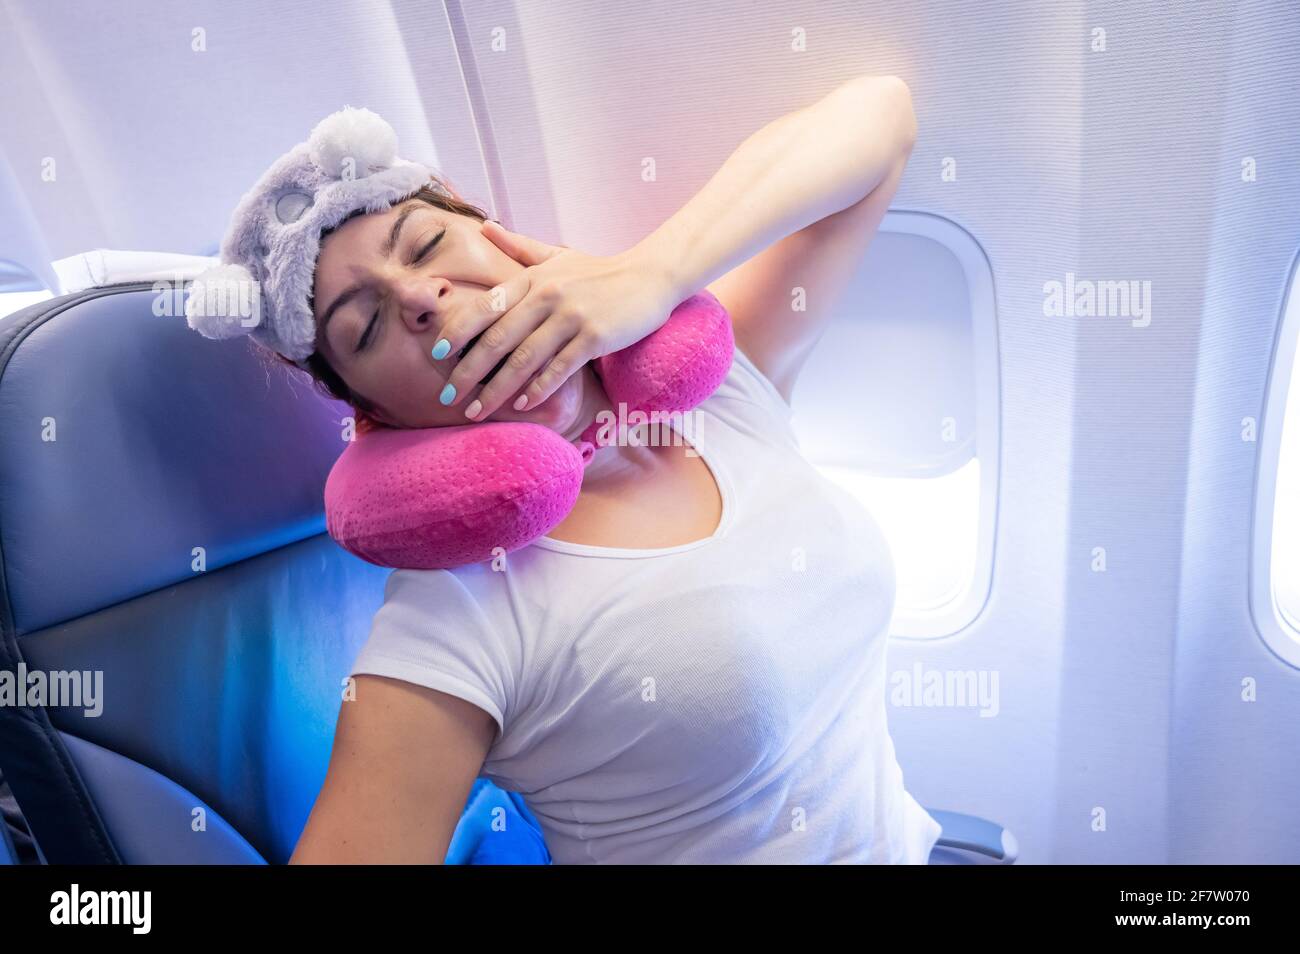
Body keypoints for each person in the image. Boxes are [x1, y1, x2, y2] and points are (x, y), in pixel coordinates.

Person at [188, 74, 934, 863]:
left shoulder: (723, 394)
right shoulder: (456, 613)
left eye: (429, 244)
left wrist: (652, 274)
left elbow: (881, 116)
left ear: (505, 243)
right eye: (367, 324)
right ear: (377, 419)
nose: (420, 298)